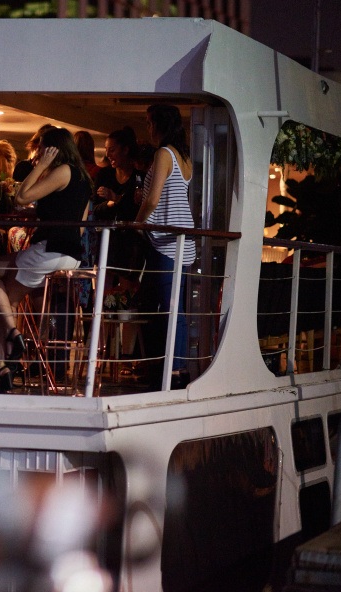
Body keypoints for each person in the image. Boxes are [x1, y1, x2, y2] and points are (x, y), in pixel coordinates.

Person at [0, 127, 92, 393]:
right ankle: (1, 368)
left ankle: (10, 343)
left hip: (50, 252)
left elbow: (21, 197)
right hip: (70, 256)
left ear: (52, 149)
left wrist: (40, 166)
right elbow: (78, 225)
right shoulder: (83, 176)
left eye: (41, 147)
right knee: (6, 296)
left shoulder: (62, 170)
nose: (38, 152)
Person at [135, 104, 196, 390]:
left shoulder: (164, 154)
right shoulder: (183, 156)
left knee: (166, 307)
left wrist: (136, 224)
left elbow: (153, 199)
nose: (148, 128)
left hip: (166, 241)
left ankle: (170, 369)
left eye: (150, 122)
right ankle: (177, 368)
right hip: (180, 238)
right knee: (175, 307)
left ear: (160, 124)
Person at [92, 126, 147, 278]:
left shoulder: (140, 178)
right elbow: (94, 209)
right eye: (106, 150)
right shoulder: (104, 175)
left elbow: (141, 213)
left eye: (112, 150)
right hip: (105, 243)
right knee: (102, 286)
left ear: (125, 150)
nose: (108, 155)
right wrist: (110, 203)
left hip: (130, 245)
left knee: (127, 286)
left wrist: (116, 199)